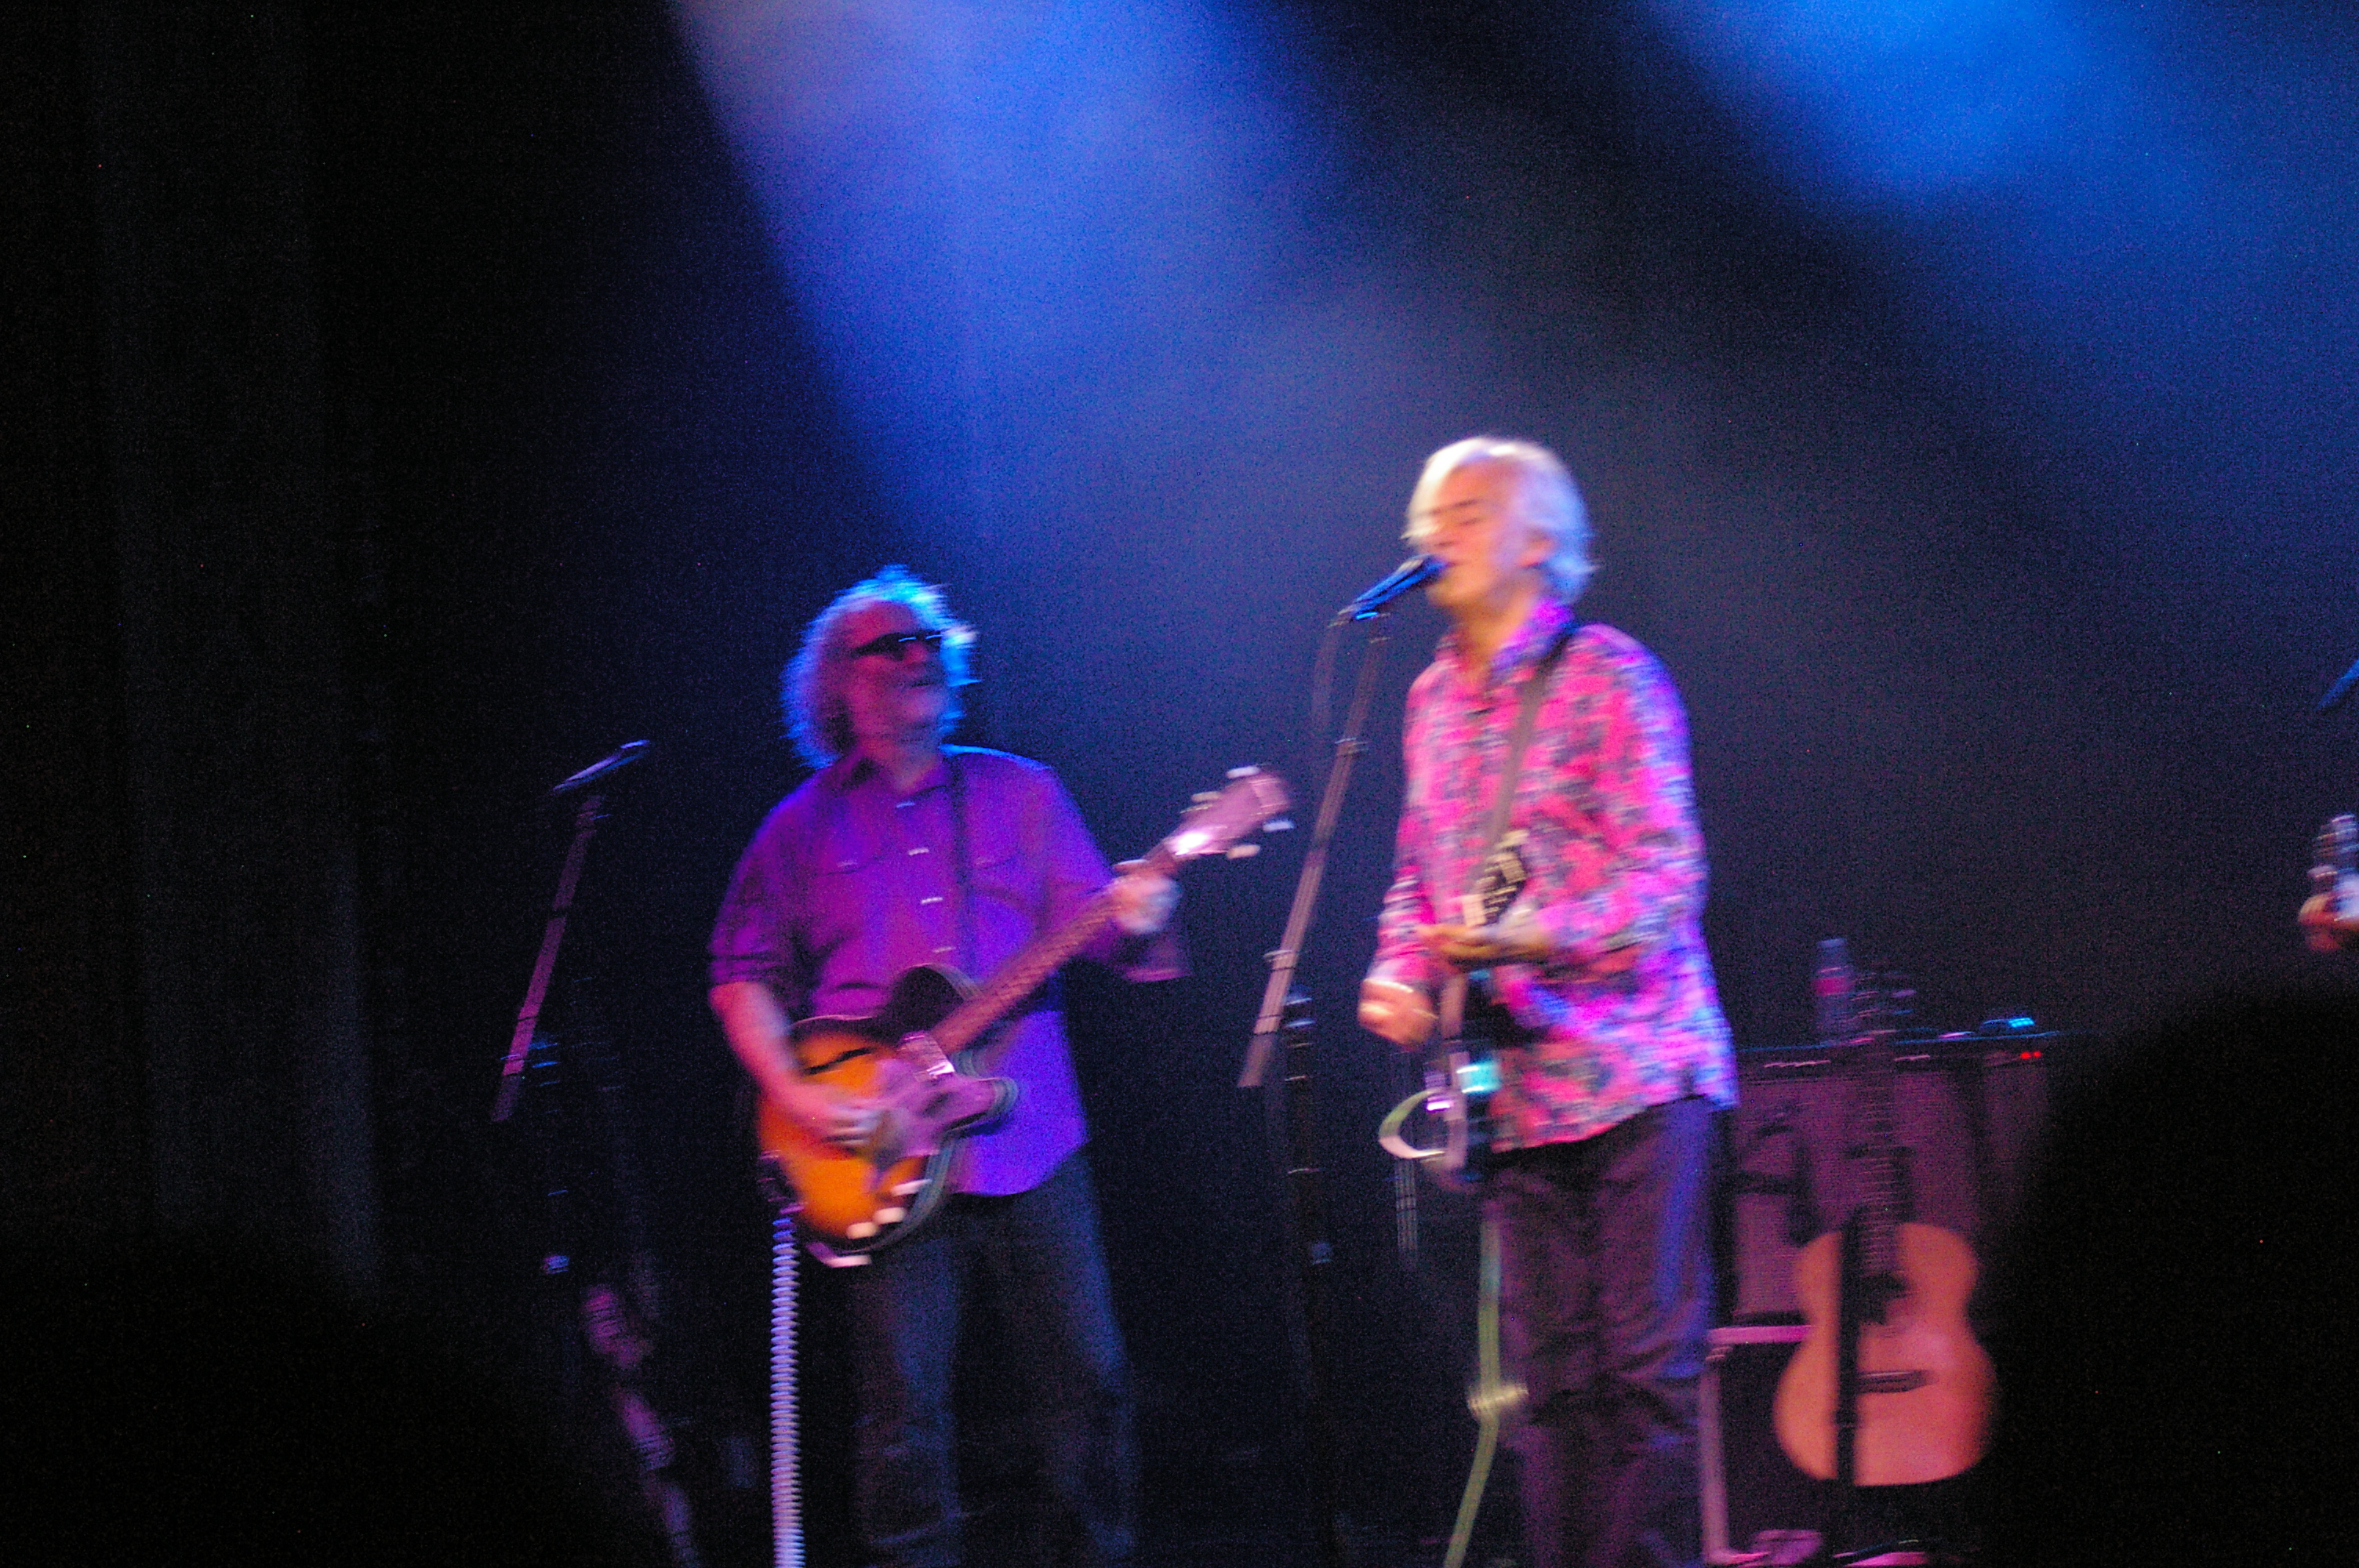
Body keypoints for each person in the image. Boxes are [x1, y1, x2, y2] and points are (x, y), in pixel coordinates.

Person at [709, 566, 1180, 1568]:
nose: (917, 655)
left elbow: (1109, 933)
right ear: (840, 682)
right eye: (890, 644)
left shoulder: (1023, 790)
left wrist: (1142, 912)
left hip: (1027, 1137)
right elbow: (740, 974)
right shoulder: (799, 827)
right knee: (901, 1416)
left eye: (930, 639)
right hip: (873, 1151)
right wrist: (793, 1094)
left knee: (1090, 1385)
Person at [1358, 439, 1736, 1568]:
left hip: (1635, 1068)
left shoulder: (1612, 674)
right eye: (1431, 515)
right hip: (1514, 1093)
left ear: (1540, 542)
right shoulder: (1428, 699)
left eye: (1469, 510)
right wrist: (1399, 969)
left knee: (1646, 1374)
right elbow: (1418, 873)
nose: (1440, 533)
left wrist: (1537, 932)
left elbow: (1669, 875)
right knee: (1551, 1387)